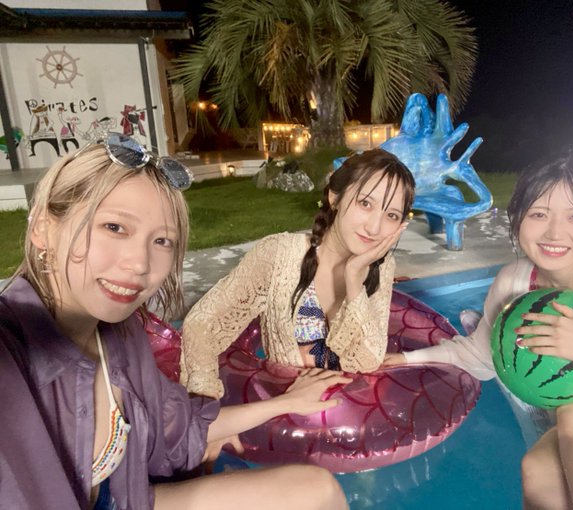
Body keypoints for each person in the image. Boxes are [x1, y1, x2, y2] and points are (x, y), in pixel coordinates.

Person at [0, 135, 349, 510]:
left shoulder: (121, 335)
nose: (140, 264)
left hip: (127, 499)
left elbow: (179, 429)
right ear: (42, 228)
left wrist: (285, 402)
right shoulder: (10, 352)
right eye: (114, 227)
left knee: (316, 490)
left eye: (162, 241)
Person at [384, 154, 573, 509]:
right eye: (539, 214)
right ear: (516, 217)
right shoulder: (515, 282)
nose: (555, 233)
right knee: (538, 468)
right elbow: (481, 355)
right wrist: (405, 359)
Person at [181, 148, 415, 399]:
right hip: (285, 410)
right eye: (365, 203)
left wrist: (354, 278)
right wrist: (205, 400)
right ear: (335, 197)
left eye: (391, 215)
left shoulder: (380, 266)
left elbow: (367, 360)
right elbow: (202, 323)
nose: (374, 227)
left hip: (352, 410)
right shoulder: (279, 255)